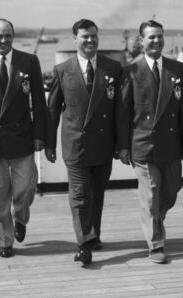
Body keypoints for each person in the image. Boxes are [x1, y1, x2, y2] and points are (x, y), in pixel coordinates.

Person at [0, 18, 49, 258]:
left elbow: (38, 100)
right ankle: (5, 240)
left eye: (8, 36)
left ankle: (20, 217)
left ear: (13, 37)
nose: (3, 40)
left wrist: (39, 135)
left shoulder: (29, 61)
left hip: (22, 138)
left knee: (26, 187)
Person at [116, 20, 183, 264]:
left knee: (170, 192)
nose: (156, 41)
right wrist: (123, 146)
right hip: (144, 144)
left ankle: (154, 222)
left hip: (172, 144)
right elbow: (123, 113)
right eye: (151, 37)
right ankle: (156, 244)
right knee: (150, 195)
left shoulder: (178, 69)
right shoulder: (130, 72)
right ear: (141, 41)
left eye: (160, 36)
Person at [47, 19, 122, 266]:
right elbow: (52, 111)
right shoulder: (62, 70)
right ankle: (83, 244)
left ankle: (94, 235)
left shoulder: (113, 68)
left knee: (97, 193)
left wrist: (122, 144)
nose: (90, 40)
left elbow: (120, 111)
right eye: (84, 37)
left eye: (93, 36)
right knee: (79, 195)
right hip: (75, 144)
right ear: (75, 40)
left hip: (103, 144)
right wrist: (48, 143)